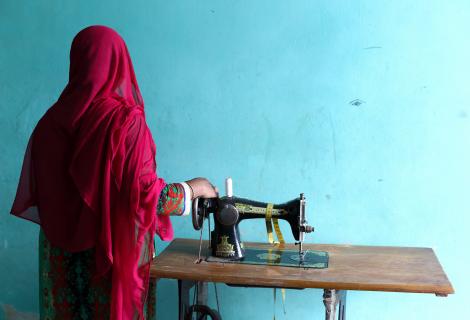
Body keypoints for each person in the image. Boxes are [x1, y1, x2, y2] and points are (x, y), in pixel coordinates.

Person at [10, 25, 218, 320]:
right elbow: (150, 198)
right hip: (110, 263)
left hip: (59, 262)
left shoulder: (48, 125)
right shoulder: (124, 123)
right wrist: (195, 187)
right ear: (119, 63)